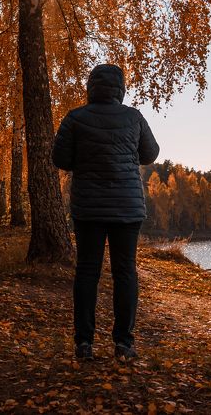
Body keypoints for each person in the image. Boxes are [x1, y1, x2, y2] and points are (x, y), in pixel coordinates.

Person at [52, 64, 160, 362]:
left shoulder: (75, 118)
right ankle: (124, 343)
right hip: (127, 207)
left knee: (87, 271)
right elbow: (150, 154)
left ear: (91, 88)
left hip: (89, 208)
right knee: (125, 272)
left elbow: (60, 158)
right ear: (120, 89)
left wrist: (85, 158)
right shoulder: (134, 117)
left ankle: (84, 343)